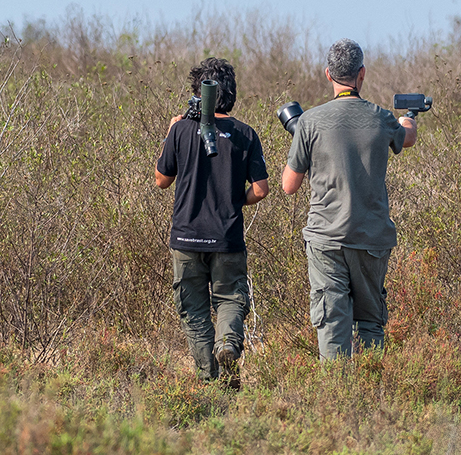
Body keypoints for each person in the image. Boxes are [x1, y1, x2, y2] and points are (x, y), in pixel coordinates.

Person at [281, 38, 416, 360]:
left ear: (328, 74)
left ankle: (336, 394)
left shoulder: (310, 122)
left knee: (332, 321)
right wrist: (408, 118)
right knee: (371, 321)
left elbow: (288, 185)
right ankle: (370, 389)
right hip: (371, 238)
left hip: (326, 238)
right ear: (362, 74)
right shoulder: (381, 118)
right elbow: (407, 138)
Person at [156, 57, 269, 386]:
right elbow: (261, 190)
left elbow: (162, 180)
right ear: (231, 94)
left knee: (194, 311)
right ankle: (228, 345)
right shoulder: (245, 134)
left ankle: (209, 378)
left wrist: (171, 132)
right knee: (231, 299)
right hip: (227, 238)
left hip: (186, 238)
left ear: (198, 92)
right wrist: (235, 200)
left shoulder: (180, 129)